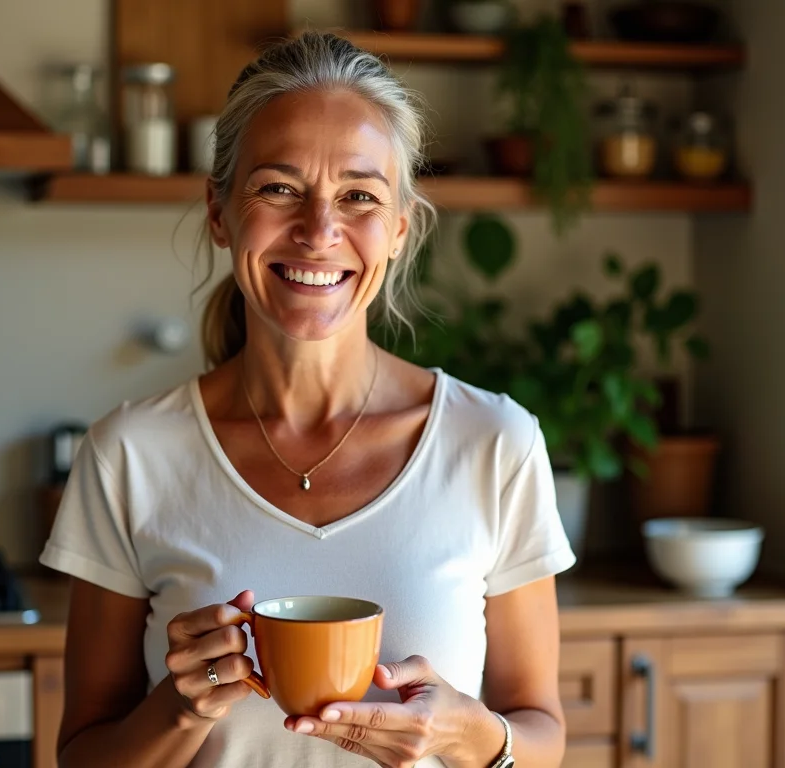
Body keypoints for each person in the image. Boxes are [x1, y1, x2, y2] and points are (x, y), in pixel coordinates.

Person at [39, 31, 576, 768]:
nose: (319, 231)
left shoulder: (494, 443)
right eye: (278, 188)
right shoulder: (129, 455)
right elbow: (82, 757)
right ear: (221, 213)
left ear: (397, 229)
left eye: (358, 196)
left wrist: (468, 737)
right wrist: (180, 704)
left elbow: (542, 733)